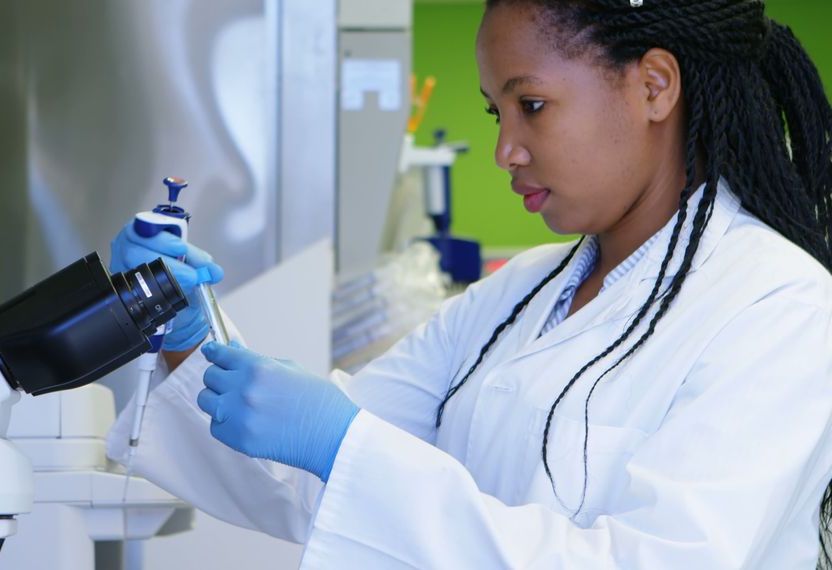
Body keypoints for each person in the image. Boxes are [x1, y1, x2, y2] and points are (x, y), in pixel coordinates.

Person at [107, 0, 832, 567]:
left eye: (532, 106)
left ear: (653, 85)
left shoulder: (778, 306)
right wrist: (185, 336)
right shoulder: (516, 294)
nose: (505, 149)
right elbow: (313, 475)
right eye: (497, 112)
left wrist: (346, 444)